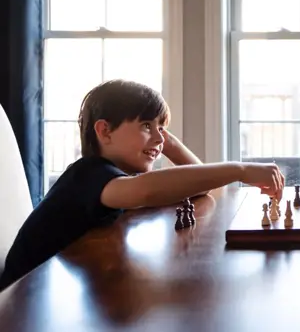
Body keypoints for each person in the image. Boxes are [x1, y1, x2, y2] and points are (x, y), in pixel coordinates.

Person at [0, 79, 284, 291]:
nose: (160, 138)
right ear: (104, 131)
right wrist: (241, 169)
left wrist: (164, 140)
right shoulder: (88, 174)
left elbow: (199, 187)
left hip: (51, 290)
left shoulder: (111, 175)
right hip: (19, 303)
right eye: (146, 125)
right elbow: (146, 190)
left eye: (162, 128)